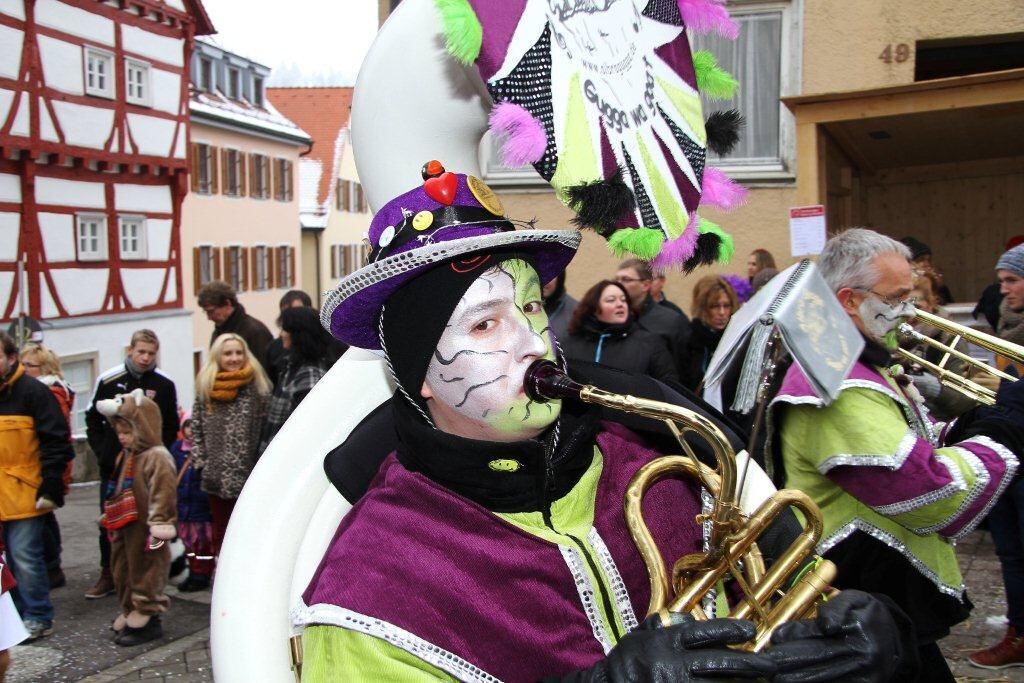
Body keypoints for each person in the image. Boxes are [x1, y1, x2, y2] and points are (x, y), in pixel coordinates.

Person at [295, 166, 909, 681]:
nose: (534, 343)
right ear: (419, 373)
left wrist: (856, 633)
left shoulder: (657, 458)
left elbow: (792, 595)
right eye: (486, 324)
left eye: (532, 307)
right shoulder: (371, 585)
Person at [769, 228, 1023, 681]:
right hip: (857, 602)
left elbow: (901, 441)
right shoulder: (836, 383)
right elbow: (929, 493)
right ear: (849, 299)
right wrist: (1003, 435)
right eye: (898, 297)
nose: (910, 309)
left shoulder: (849, 358)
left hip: (880, 600)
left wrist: (967, 428)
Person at [85, 330, 178, 600]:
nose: (146, 358)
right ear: (131, 350)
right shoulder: (109, 379)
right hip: (115, 466)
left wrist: (156, 449)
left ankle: (149, 583)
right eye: (141, 352)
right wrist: (104, 452)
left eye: (151, 353)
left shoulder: (164, 383)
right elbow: (93, 418)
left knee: (149, 522)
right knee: (111, 522)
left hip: (147, 466)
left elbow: (170, 422)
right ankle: (110, 573)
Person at [968, 243, 1024, 669]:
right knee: (1010, 551)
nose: (1003, 291)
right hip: (1010, 451)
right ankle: (1018, 631)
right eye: (1002, 281)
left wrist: (1000, 388)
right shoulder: (1007, 328)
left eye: (1012, 281)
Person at [0, 332, 74, 641]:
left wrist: (50, 488)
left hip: (24, 491)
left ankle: (38, 616)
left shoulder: (33, 392)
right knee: (6, 563)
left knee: (25, 557)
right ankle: (13, 617)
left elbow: (57, 442)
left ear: (11, 358)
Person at [95, 389, 177, 646]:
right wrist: (109, 512)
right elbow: (118, 487)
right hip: (126, 524)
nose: (122, 438)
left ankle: (148, 613)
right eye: (119, 433)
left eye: (128, 432)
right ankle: (129, 607)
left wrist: (160, 521)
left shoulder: (157, 457)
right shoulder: (129, 455)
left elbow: (163, 491)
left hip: (148, 529)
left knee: (147, 566)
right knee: (122, 567)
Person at [190, 334, 271, 560]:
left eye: (238, 353)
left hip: (247, 478)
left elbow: (267, 430)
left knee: (246, 534)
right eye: (228, 353)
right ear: (218, 357)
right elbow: (196, 427)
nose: (234, 358)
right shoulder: (206, 388)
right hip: (215, 477)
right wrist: (201, 462)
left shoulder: (257, 389)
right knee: (220, 532)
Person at [20, 343, 74, 590]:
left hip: (47, 464)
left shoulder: (49, 394)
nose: (23, 369)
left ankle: (52, 567)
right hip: (41, 464)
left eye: (29, 365)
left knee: (43, 516)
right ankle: (52, 566)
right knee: (44, 516)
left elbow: (55, 434)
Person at [561, 280, 679, 385]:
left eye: (624, 300)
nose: (620, 304)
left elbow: (669, 384)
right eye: (611, 300)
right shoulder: (569, 343)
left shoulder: (649, 342)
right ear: (593, 308)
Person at [258, 307, 332, 454]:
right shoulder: (290, 366)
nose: (281, 334)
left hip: (283, 459)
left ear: (298, 335)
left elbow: (302, 433)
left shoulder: (309, 377)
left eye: (285, 329)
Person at [615, 258, 690, 360]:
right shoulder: (611, 315)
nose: (618, 285)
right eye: (616, 280)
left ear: (645, 285)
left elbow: (683, 362)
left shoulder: (671, 320)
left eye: (626, 280)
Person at [170, 414, 212, 592]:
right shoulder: (177, 449)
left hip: (199, 507)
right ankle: (193, 570)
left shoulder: (204, 449)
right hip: (183, 507)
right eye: (187, 426)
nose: (191, 430)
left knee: (202, 543)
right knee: (189, 543)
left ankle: (202, 573)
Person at [680, 276, 739, 391]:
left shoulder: (735, 339)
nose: (722, 313)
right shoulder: (688, 338)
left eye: (726, 306)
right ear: (703, 308)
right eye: (715, 306)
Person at [197, 281, 274, 364]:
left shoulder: (256, 331)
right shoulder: (218, 331)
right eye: (206, 312)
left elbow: (264, 371)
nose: (209, 317)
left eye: (211, 311)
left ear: (227, 303)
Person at [264, 289, 313, 386]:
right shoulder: (275, 347)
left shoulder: (329, 345)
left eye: (297, 312)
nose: (291, 317)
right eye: (286, 314)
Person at [542, 273, 578, 343]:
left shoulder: (576, 312)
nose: (544, 281)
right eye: (539, 275)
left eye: (551, 275)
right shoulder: (518, 307)